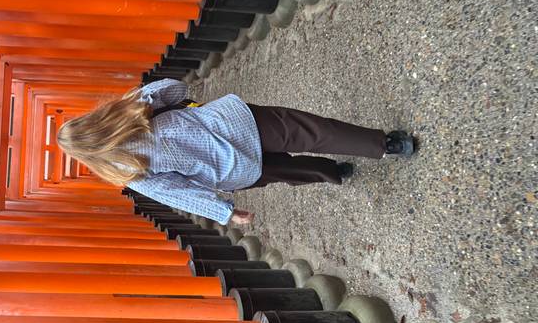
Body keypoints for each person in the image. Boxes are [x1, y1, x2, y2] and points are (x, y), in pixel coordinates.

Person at [57, 78, 415, 226]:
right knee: (308, 132)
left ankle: (334, 173)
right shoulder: (131, 107)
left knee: (285, 172)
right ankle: (385, 145)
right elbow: (176, 88)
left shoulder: (126, 171)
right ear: (93, 120)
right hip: (235, 124)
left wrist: (226, 212)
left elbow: (178, 193)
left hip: (231, 169)